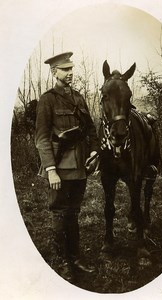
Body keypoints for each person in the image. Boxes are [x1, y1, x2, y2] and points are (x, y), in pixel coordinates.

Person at [35, 51, 99, 282]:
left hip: (80, 167)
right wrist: (50, 170)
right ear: (54, 72)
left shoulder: (79, 98)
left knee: (73, 213)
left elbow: (91, 128)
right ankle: (62, 261)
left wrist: (93, 151)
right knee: (60, 213)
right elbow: (42, 138)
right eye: (65, 69)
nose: (70, 73)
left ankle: (76, 257)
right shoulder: (48, 99)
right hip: (59, 168)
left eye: (71, 69)